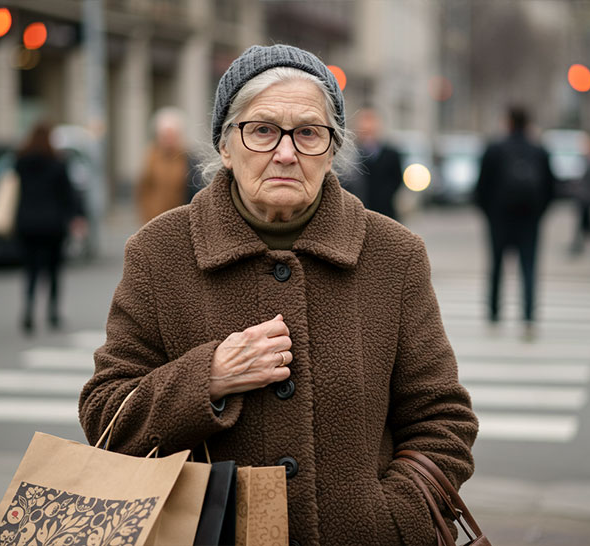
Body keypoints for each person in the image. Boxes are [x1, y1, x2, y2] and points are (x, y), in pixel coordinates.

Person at [79, 44, 477, 545]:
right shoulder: (160, 252)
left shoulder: (393, 255)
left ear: (333, 150)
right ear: (225, 144)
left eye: (308, 132)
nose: (286, 153)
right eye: (263, 129)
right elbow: (105, 416)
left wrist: (388, 520)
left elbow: (443, 420)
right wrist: (210, 376)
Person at [475, 106, 556, 340]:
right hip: (529, 219)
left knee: (497, 266)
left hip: (499, 218)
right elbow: (551, 188)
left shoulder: (495, 148)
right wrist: (539, 213)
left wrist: (489, 213)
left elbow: (481, 186)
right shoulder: (538, 150)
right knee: (529, 267)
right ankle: (529, 317)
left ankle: (493, 313)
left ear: (508, 122)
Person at [14, 122, 86, 334]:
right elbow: (69, 194)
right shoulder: (58, 163)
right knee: (54, 271)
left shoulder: (20, 162)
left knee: (31, 271)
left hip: (26, 223)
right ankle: (52, 313)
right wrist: (77, 216)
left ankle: (28, 312)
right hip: (52, 225)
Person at [136, 107, 195, 225]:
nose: (168, 139)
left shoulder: (188, 158)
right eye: (164, 135)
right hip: (154, 219)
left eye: (171, 135)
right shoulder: (151, 157)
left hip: (179, 220)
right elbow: (143, 189)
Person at [352, 107, 404, 220]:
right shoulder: (352, 155)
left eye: (371, 120)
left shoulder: (391, 154)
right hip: (359, 213)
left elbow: (397, 180)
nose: (368, 126)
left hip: (385, 213)